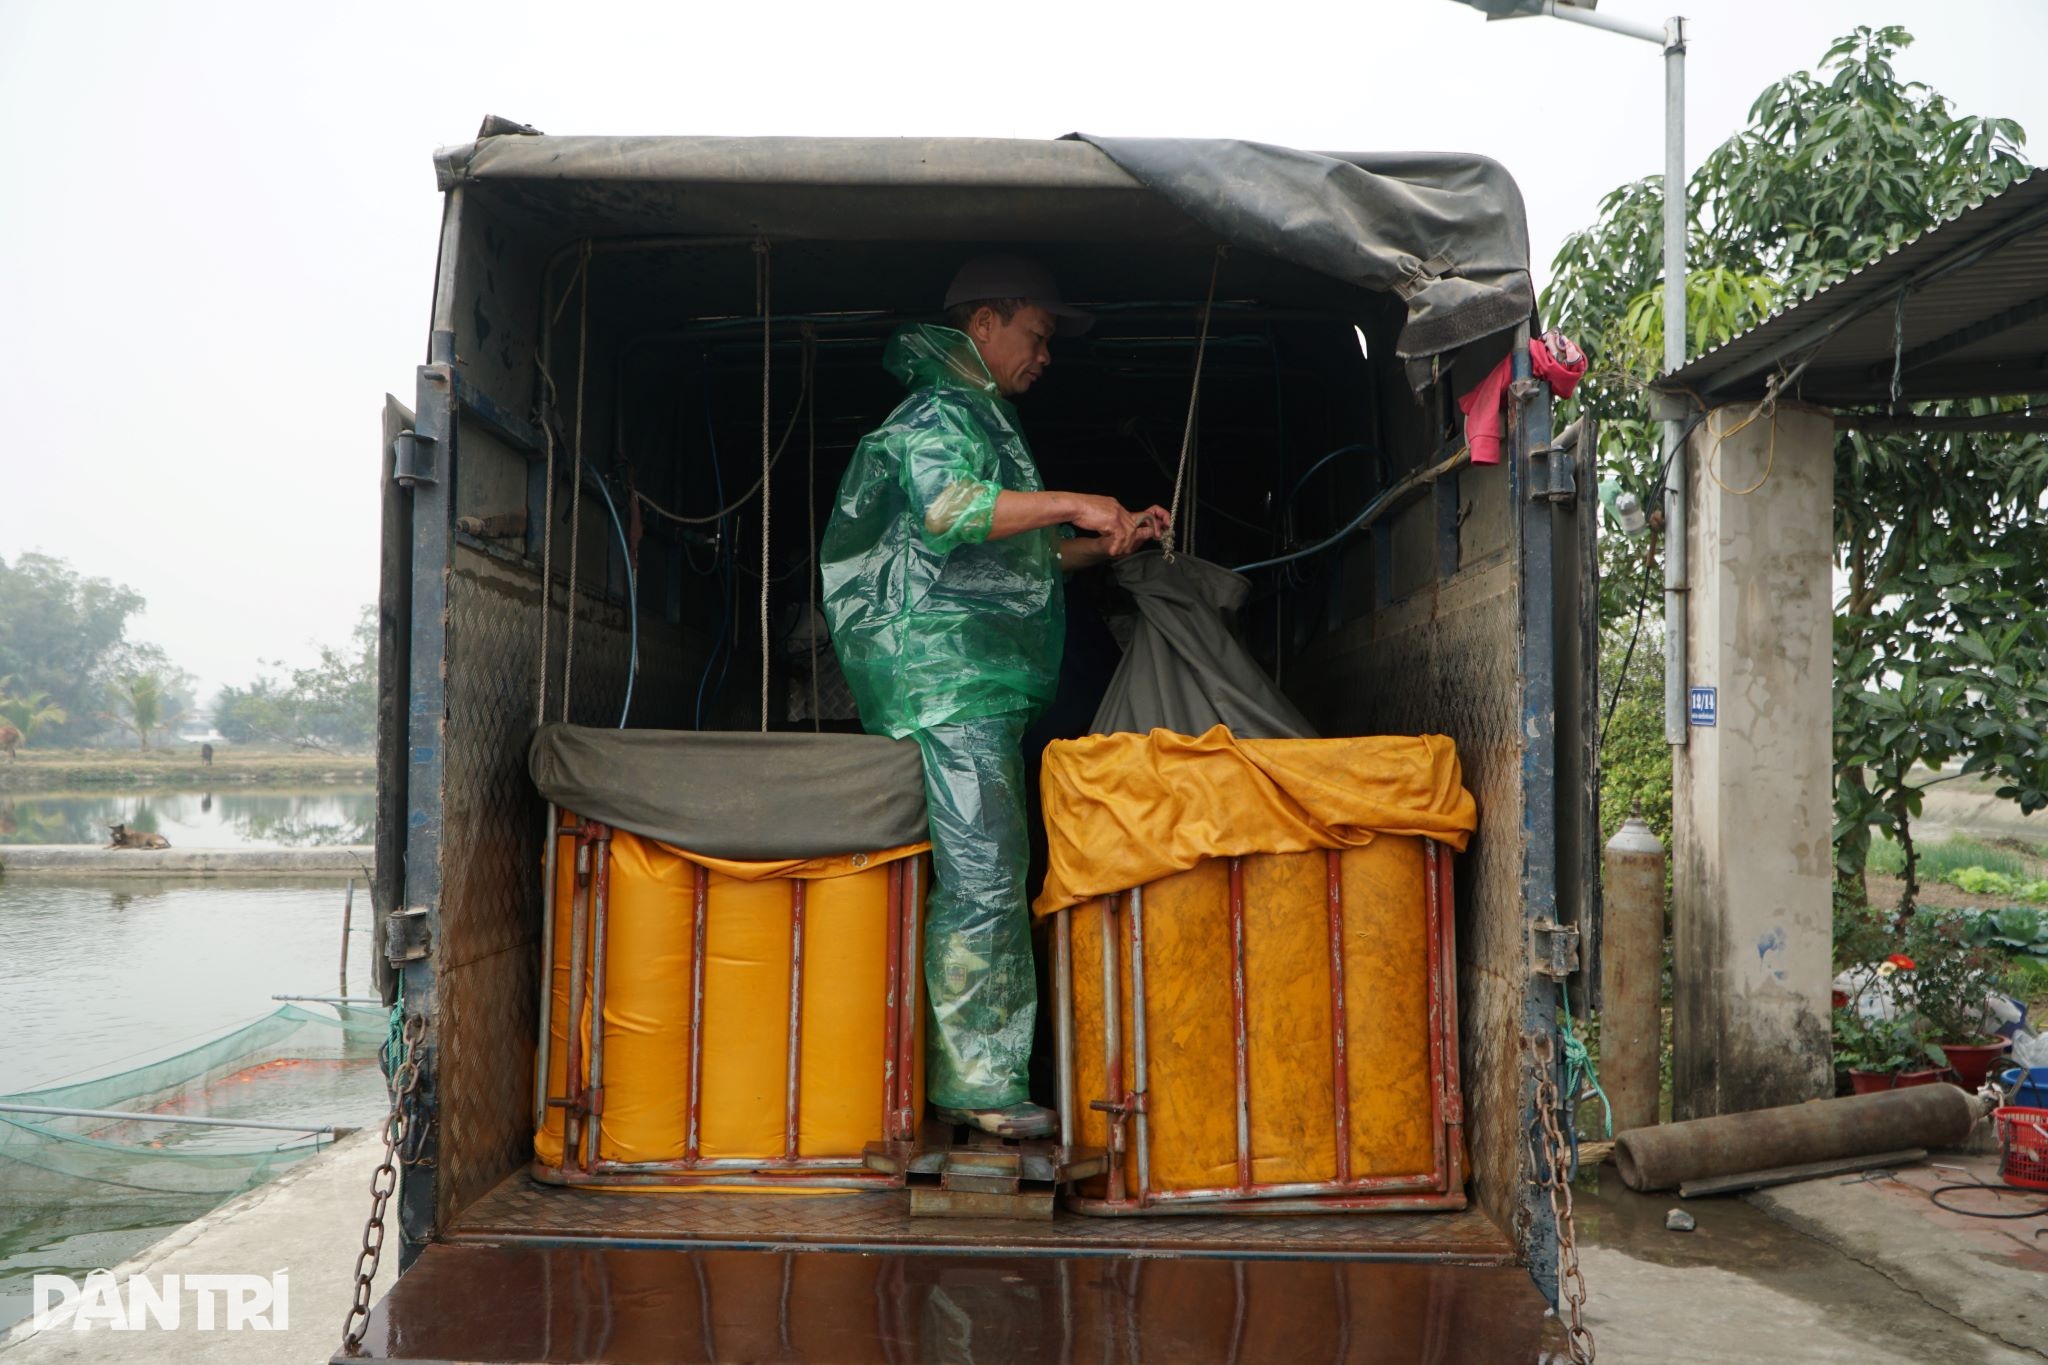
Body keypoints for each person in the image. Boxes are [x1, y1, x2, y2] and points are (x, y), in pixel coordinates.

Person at [821, 255, 1168, 1138]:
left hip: (970, 676)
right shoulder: (939, 415)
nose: (1044, 354)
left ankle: (976, 1072)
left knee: (988, 868)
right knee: (982, 877)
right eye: (1036, 334)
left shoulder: (977, 418)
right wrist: (1077, 501)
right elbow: (947, 511)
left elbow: (1009, 560)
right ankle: (977, 1089)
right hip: (948, 677)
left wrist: (1105, 543)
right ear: (984, 324)